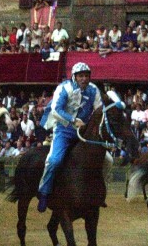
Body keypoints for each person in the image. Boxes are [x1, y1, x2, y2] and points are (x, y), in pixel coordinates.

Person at [37, 62, 102, 212]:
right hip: (64, 131)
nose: (84, 79)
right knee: (54, 161)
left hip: (84, 132)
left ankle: (98, 192)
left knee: (107, 160)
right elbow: (55, 110)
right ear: (74, 76)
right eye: (81, 76)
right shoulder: (64, 88)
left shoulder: (94, 90)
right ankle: (44, 193)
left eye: (86, 76)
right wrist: (73, 120)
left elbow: (99, 111)